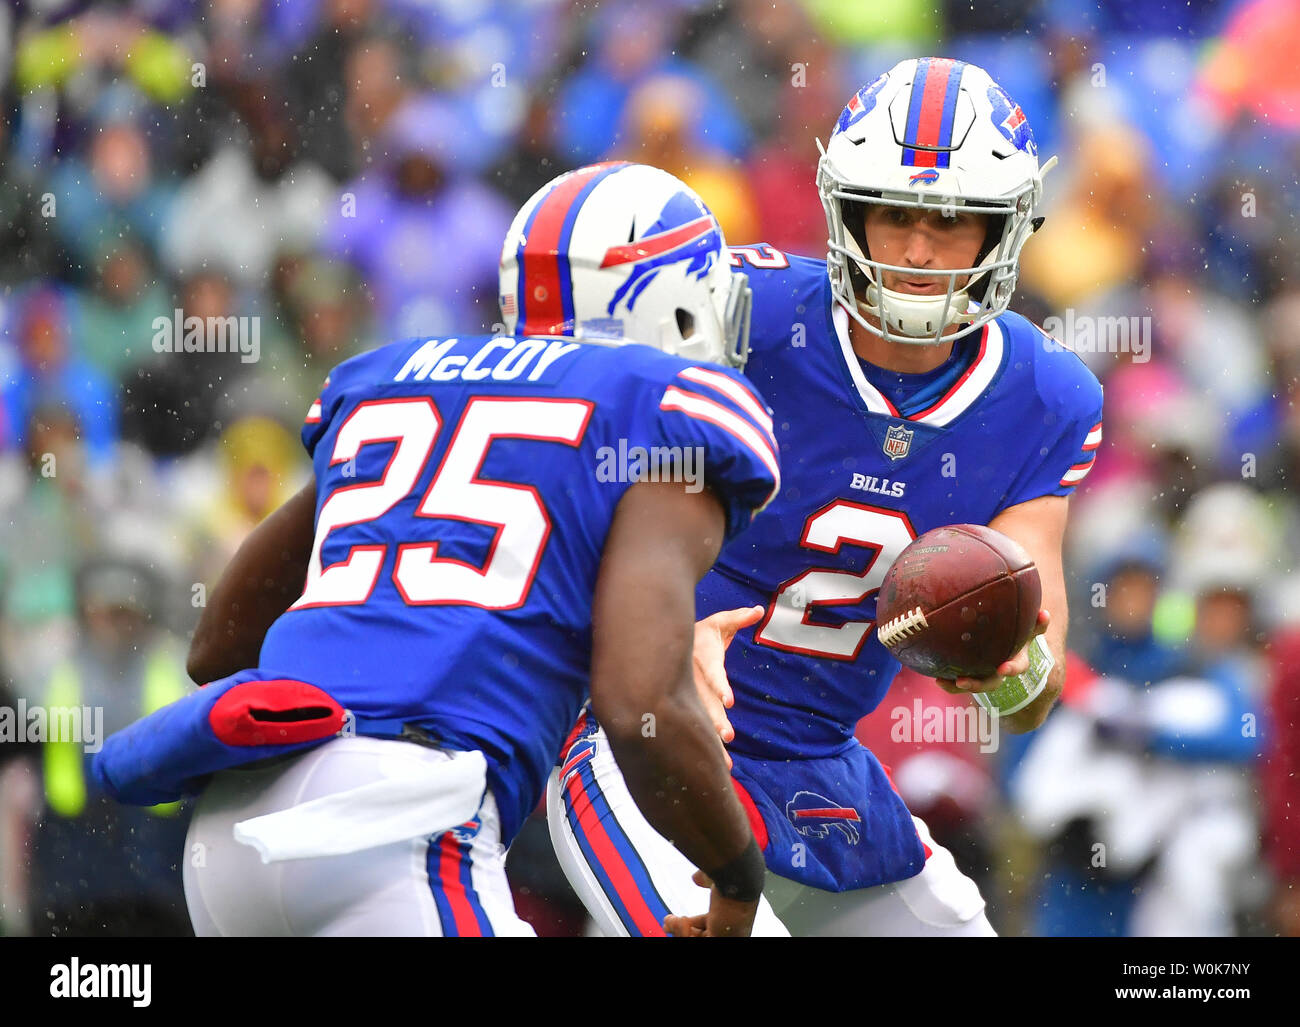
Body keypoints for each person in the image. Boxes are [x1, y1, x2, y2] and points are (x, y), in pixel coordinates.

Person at [94, 163, 780, 938]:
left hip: (232, 832)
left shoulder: (400, 375)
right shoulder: (656, 411)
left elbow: (219, 642)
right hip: (399, 823)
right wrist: (735, 875)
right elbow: (639, 702)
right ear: (682, 307)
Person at [547, 57, 1104, 937]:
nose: (918, 250)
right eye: (893, 215)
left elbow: (1035, 683)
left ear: (1005, 232)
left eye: (952, 222)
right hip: (645, 733)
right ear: (847, 212)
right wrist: (640, 632)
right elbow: (561, 483)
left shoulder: (1045, 398)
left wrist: (1007, 663)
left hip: (821, 766)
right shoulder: (737, 314)